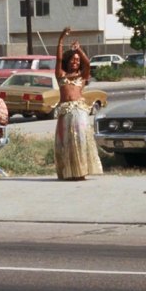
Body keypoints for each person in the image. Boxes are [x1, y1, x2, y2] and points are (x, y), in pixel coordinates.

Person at [54, 27, 104, 180]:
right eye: (72, 59)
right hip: (65, 111)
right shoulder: (61, 75)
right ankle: (67, 172)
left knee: (80, 139)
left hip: (79, 110)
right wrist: (61, 39)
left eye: (77, 60)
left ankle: (81, 171)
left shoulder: (82, 76)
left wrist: (79, 50)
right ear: (68, 61)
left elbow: (87, 64)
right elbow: (58, 59)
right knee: (64, 141)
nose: (75, 62)